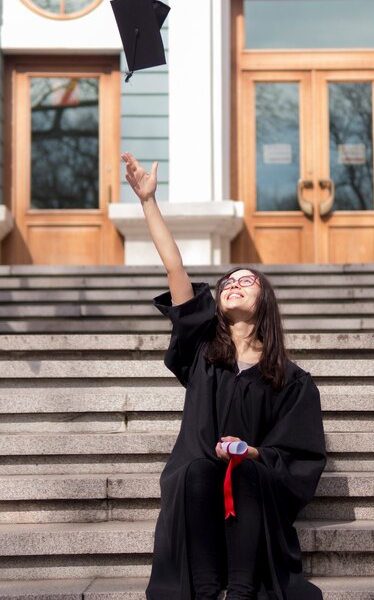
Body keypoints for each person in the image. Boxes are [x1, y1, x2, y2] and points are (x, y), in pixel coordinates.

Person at [121, 152, 327, 600]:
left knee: (248, 473)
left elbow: (300, 456)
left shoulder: (291, 382)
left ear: (265, 302)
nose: (233, 283)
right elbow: (176, 269)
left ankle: (238, 592)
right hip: (198, 482)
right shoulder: (201, 353)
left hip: (254, 491)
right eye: (227, 281)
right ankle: (207, 588)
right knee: (196, 471)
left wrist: (254, 453)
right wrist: (148, 202)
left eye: (246, 280)